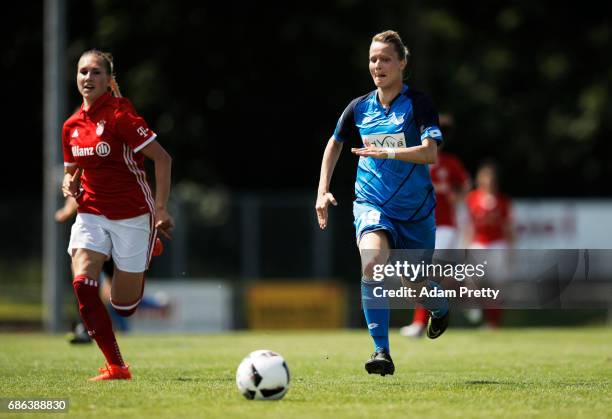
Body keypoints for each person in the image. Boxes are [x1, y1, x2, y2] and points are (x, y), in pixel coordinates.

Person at [316, 30, 449, 376]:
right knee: (372, 262)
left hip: (416, 211)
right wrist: (322, 189)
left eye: (386, 59)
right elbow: (335, 143)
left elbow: (431, 153)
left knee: (413, 282)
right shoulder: (358, 107)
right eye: (373, 59)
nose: (378, 65)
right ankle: (381, 352)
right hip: (371, 203)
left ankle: (439, 305)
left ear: (403, 62)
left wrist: (387, 151)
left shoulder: (418, 104)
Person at [61, 49, 174, 381]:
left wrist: (161, 209)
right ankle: (116, 366)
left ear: (109, 81)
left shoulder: (120, 115)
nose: (88, 78)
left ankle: (147, 245)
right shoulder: (70, 126)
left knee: (124, 305)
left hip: (133, 215)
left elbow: (163, 159)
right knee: (83, 283)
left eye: (96, 72)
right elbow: (72, 172)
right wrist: (68, 184)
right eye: (83, 72)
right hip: (92, 213)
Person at [400, 113, 471, 338]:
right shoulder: (417, 159)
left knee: (425, 273)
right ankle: (465, 295)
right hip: (420, 226)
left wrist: (454, 196)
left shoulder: (450, 164)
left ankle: (420, 323)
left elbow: (465, 189)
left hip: (445, 227)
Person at [464, 160, 513, 328]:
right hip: (479, 243)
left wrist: (511, 250)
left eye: (491, 178)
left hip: (498, 244)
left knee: (496, 284)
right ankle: (474, 306)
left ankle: (494, 322)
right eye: (485, 178)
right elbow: (469, 225)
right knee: (472, 280)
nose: (488, 181)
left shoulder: (502, 200)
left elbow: (508, 227)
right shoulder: (472, 198)